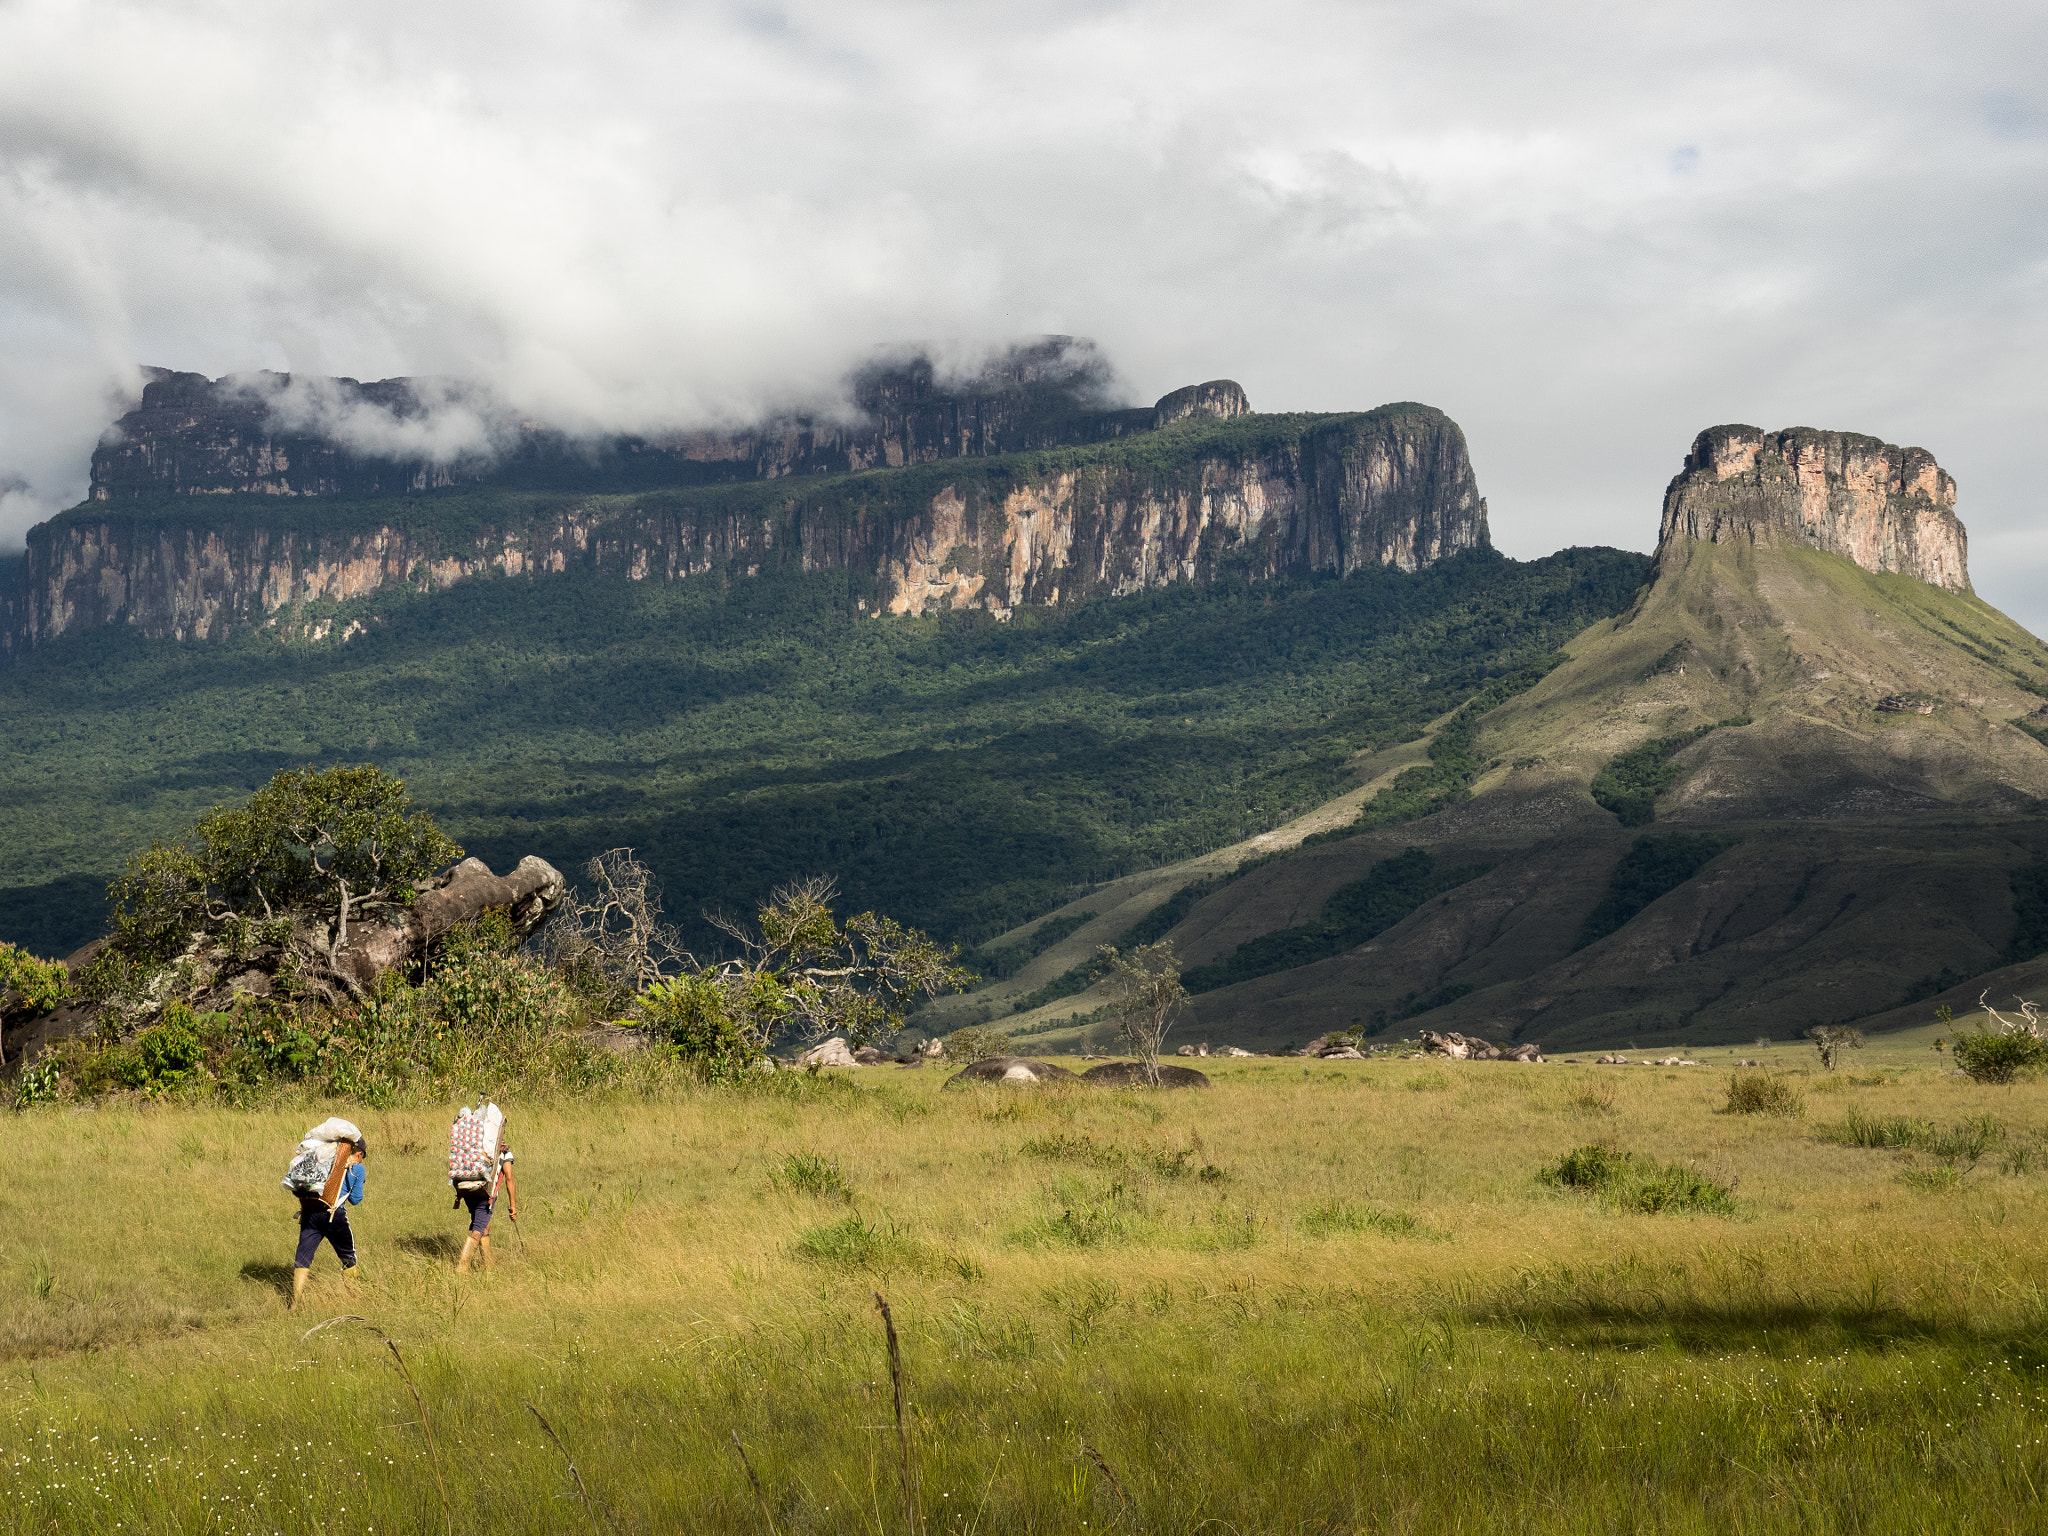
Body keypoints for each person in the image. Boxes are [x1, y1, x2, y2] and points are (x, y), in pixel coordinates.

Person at [291, 1136, 365, 1309]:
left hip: (309, 1213)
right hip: (334, 1214)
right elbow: (355, 1199)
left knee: (302, 1258)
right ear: (358, 1154)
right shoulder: (358, 1168)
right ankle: (355, 1297)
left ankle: (295, 1303)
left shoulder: (323, 1160)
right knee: (348, 1256)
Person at [452, 1102, 518, 1273]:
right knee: (478, 1229)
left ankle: (488, 1266)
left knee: (483, 1225)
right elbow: (509, 1178)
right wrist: (513, 1206)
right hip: (485, 1194)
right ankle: (462, 1267)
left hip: (468, 1191)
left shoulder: (472, 1151)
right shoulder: (503, 1153)